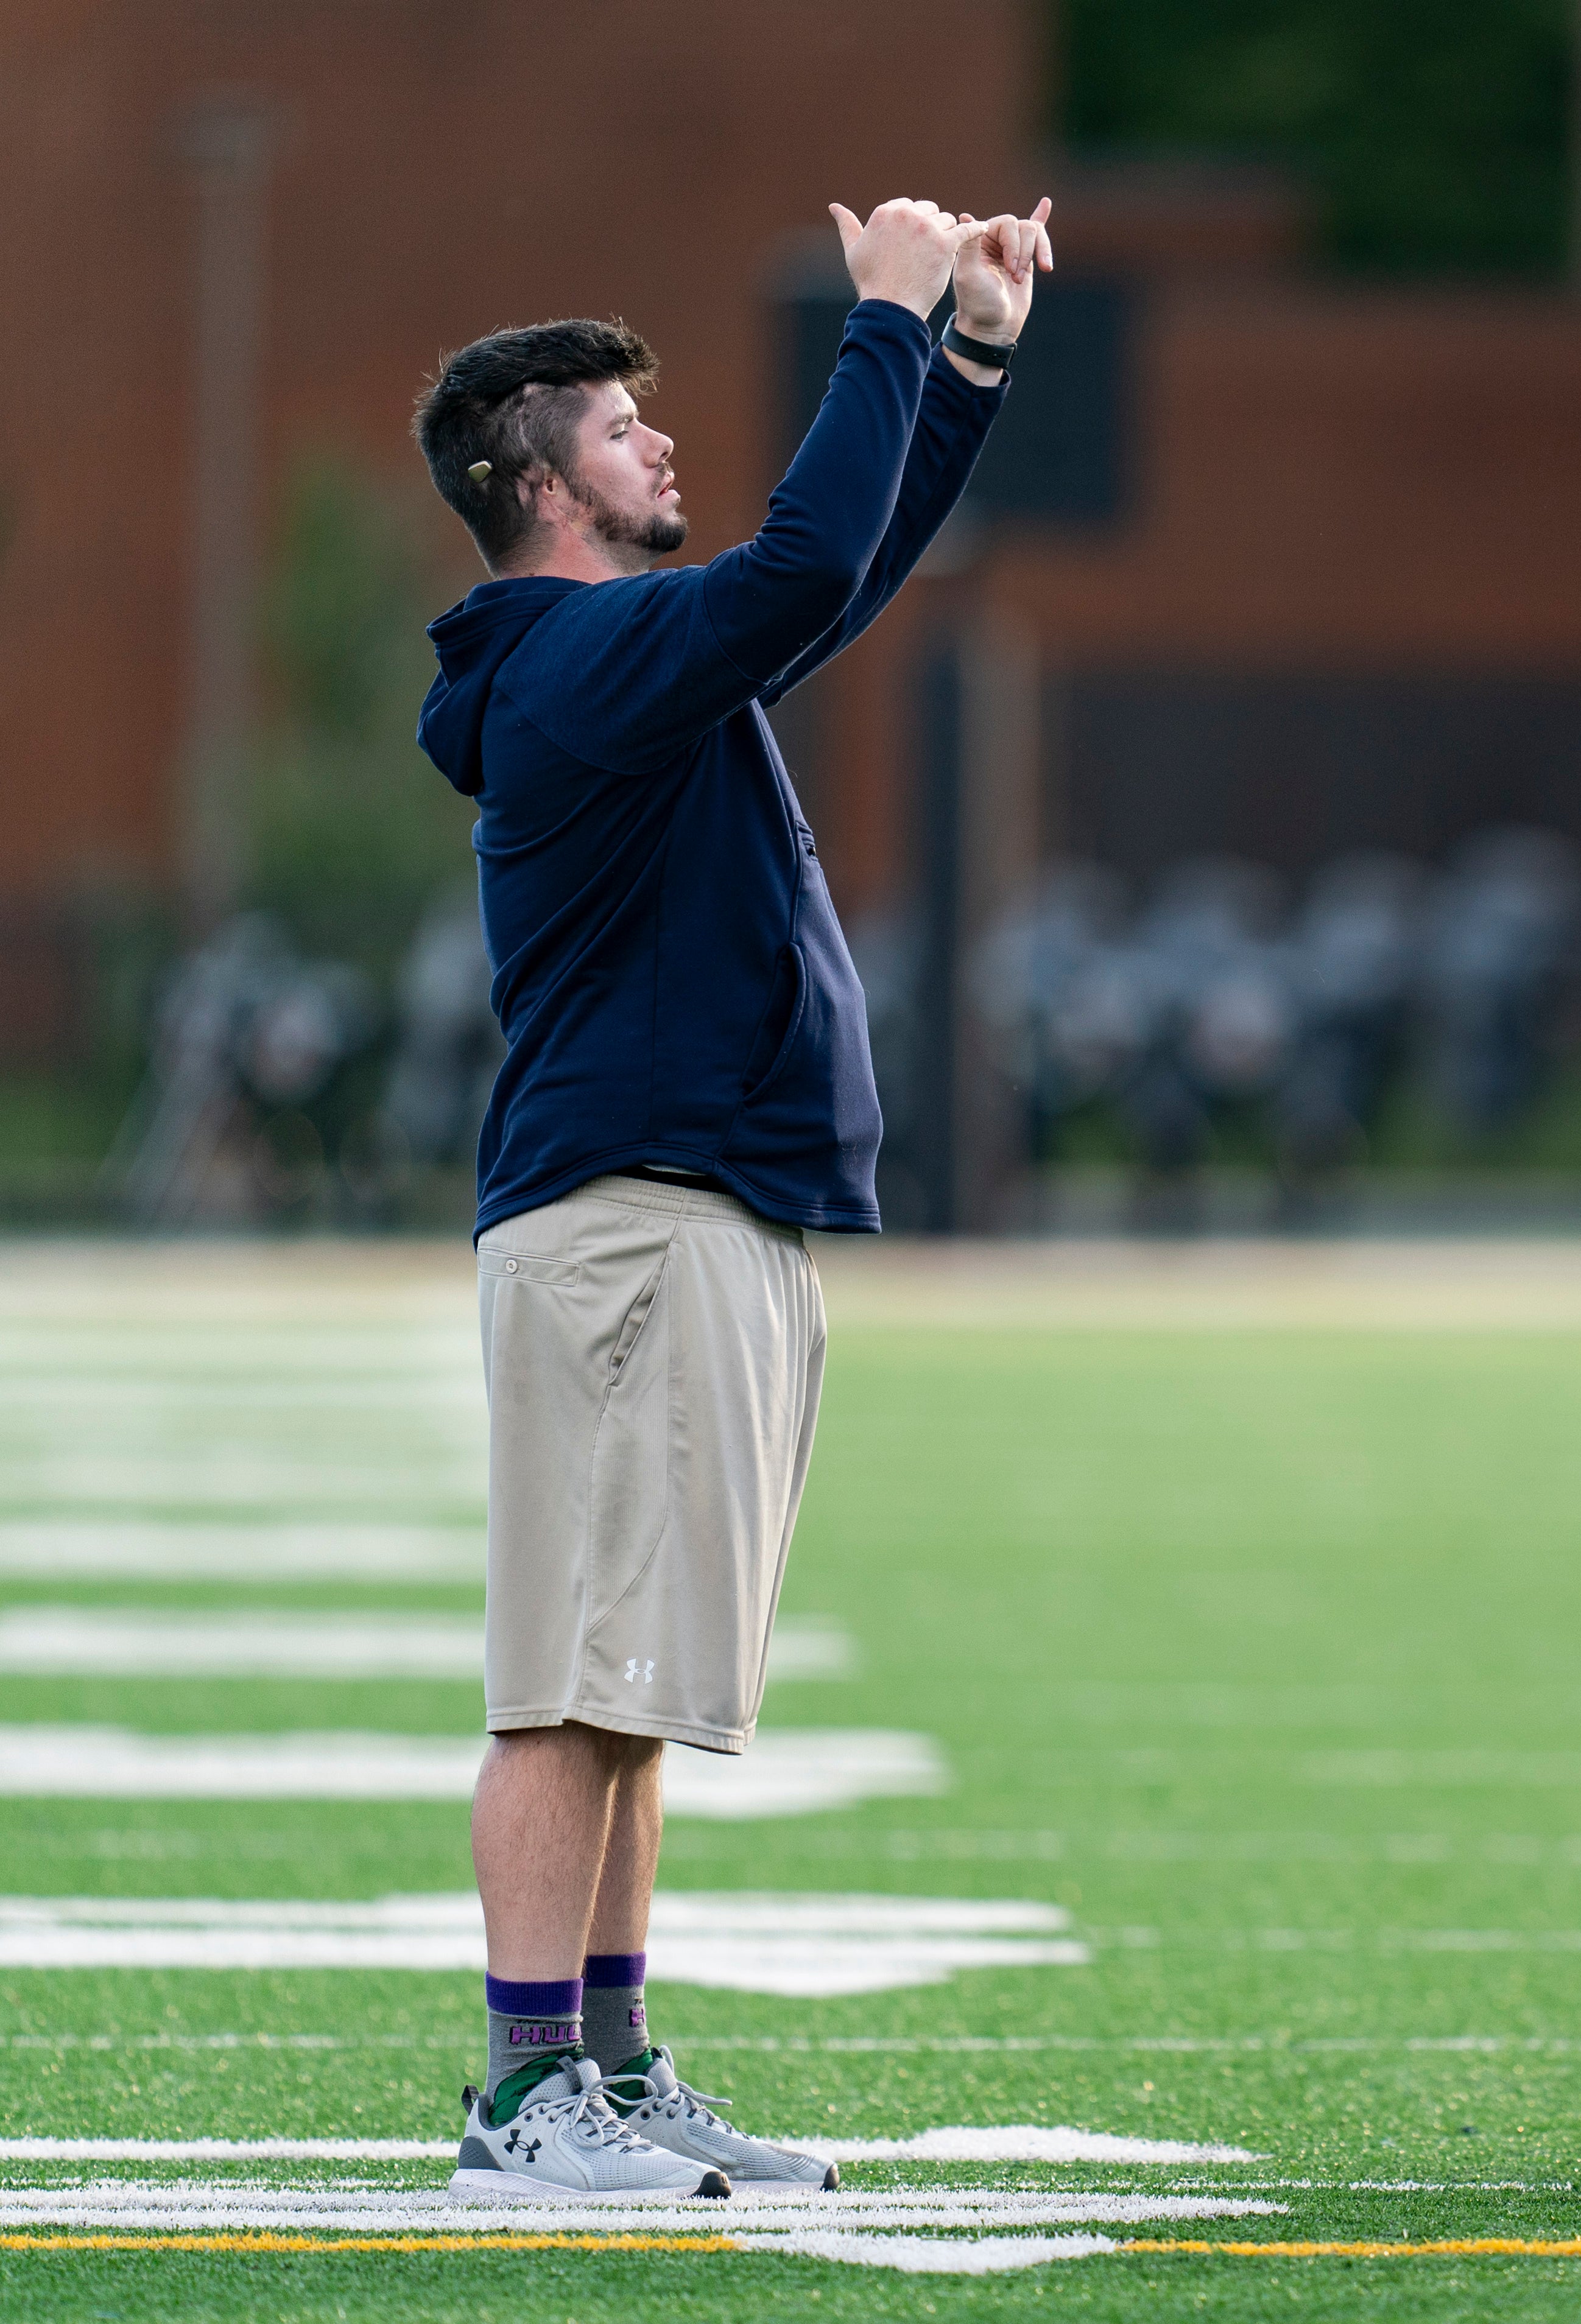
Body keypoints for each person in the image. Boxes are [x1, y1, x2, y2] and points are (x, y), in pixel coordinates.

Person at [410, 194, 1051, 2199]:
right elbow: (792, 576)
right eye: (619, 428)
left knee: (640, 1693)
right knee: (569, 1684)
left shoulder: (621, 658)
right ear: (537, 484)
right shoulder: (571, 656)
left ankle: (607, 2058)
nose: (657, 444)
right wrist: (879, 327)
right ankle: (526, 2102)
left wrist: (961, 362)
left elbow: (823, 583)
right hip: (629, 1217)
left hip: (694, 1213)